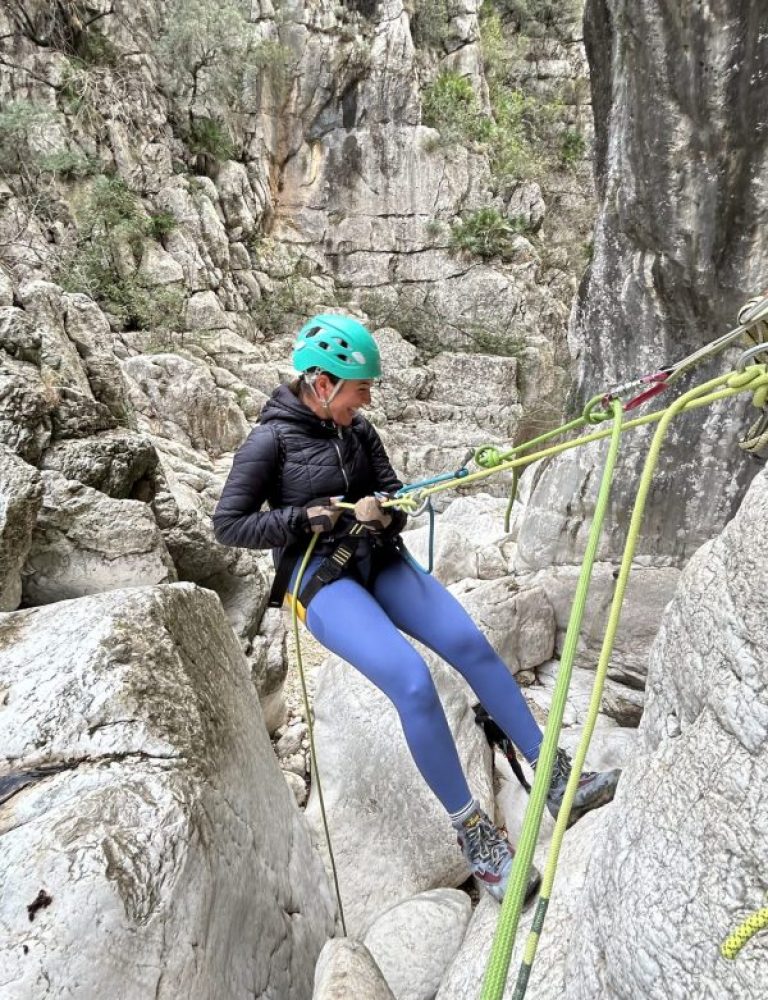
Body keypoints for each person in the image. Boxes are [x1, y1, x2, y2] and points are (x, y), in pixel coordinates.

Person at [213, 314, 621, 903]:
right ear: (323, 384)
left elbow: (398, 495)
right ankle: (477, 839)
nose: (368, 399)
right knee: (411, 683)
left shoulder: (360, 433)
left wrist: (387, 511)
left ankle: (556, 780)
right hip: (324, 583)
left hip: (378, 558)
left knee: (472, 646)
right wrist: (304, 518)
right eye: (360, 389)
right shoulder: (269, 441)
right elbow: (229, 524)